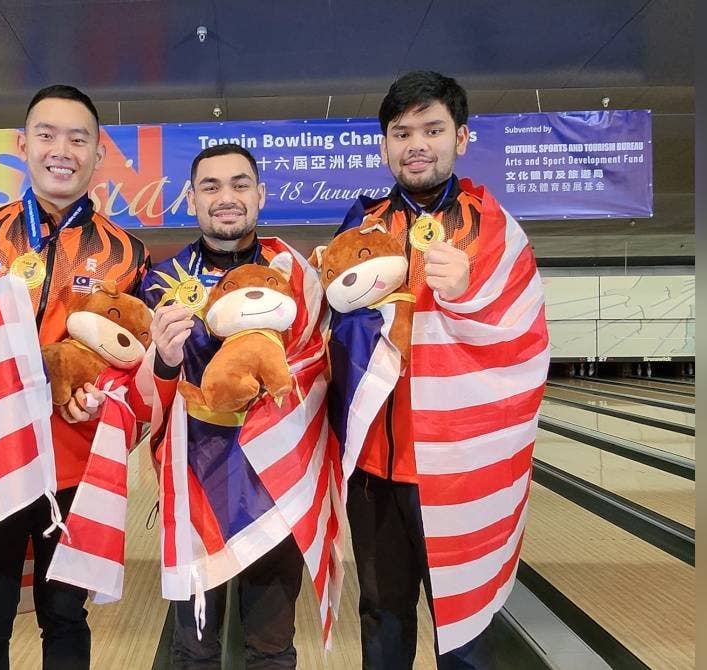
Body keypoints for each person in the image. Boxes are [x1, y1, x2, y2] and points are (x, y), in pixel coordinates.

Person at [326, 71, 550, 669]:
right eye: (401, 133)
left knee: (465, 624)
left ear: (463, 137)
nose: (416, 144)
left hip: (458, 468)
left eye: (432, 129)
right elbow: (336, 326)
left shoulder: (493, 227)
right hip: (375, 466)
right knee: (381, 616)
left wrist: (468, 292)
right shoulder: (362, 222)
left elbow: (523, 337)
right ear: (384, 145)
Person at [0, 84, 150, 670]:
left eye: (79, 139)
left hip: (75, 461)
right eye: (47, 135)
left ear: (100, 153)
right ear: (23, 144)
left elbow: (138, 359)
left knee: (65, 617)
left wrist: (107, 398)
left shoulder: (128, 252)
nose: (62, 150)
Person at [138, 144, 331, 668]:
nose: (227, 198)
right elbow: (138, 400)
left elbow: (320, 368)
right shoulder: (160, 281)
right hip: (197, 488)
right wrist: (165, 361)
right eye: (211, 187)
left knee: (271, 648)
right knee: (193, 651)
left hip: (276, 488)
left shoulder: (297, 276)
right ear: (192, 200)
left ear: (261, 195)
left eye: (240, 185)